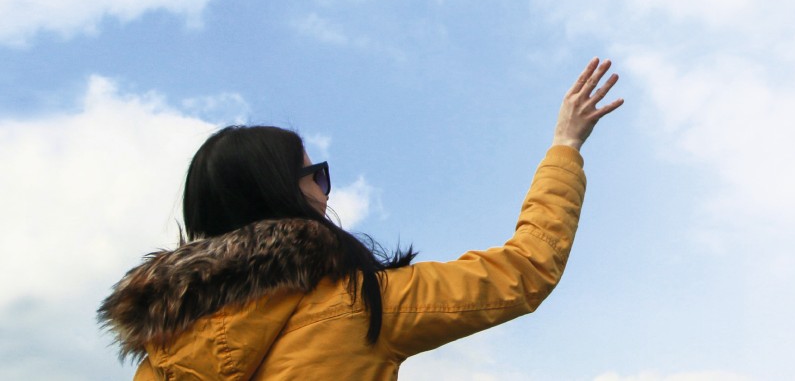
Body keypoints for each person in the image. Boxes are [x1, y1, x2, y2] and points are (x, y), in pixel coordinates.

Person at [99, 58, 624, 380]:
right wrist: (565, 146)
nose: (327, 192)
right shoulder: (361, 303)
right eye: (315, 176)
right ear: (285, 193)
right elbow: (526, 270)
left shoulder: (164, 348)